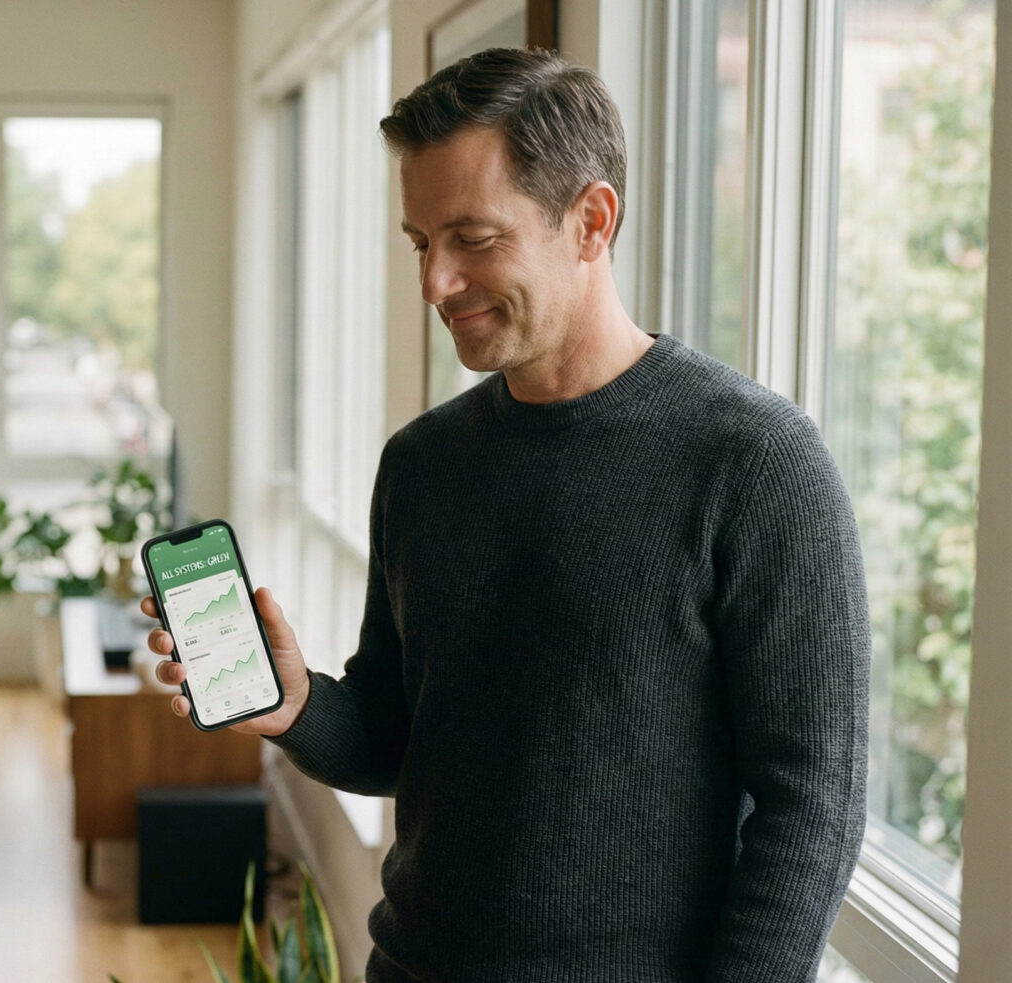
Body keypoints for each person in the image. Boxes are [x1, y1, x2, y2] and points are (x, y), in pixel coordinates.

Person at [145, 47, 871, 982]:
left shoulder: (757, 461)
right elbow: (395, 738)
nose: (434, 284)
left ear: (591, 222)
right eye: (420, 243)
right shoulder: (421, 464)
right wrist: (296, 705)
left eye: (473, 239)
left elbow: (812, 810)